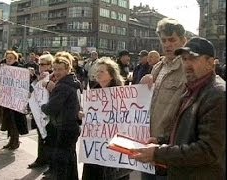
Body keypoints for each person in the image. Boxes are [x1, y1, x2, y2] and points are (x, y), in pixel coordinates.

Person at [131, 37, 226, 180]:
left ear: (210, 63)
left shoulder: (217, 95)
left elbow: (207, 150)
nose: (187, 64)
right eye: (184, 59)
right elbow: (183, 132)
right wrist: (160, 140)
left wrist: (158, 153)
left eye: (193, 59)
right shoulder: (192, 89)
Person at [139, 18, 188, 179]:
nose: (167, 44)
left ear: (183, 40)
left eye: (172, 40)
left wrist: (165, 140)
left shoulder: (188, 69)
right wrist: (141, 87)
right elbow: (144, 103)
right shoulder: (157, 67)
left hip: (168, 149)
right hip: (147, 146)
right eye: (164, 40)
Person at [81, 57, 132, 180]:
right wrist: (83, 115)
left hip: (114, 146)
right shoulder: (94, 92)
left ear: (111, 75)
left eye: (102, 71)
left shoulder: (122, 93)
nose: (98, 74)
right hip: (96, 148)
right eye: (97, 71)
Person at [41, 52, 81, 180]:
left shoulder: (63, 86)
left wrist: (41, 106)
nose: (57, 72)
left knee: (62, 163)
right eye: (55, 69)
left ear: (68, 69)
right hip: (71, 126)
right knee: (70, 160)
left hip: (64, 127)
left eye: (60, 69)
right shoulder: (73, 82)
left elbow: (50, 109)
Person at [28, 53, 54, 169]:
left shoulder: (52, 77)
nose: (40, 66)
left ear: (49, 65)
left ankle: (47, 161)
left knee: (47, 137)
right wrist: (35, 78)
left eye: (43, 64)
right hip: (38, 111)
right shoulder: (40, 76)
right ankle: (41, 159)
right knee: (40, 135)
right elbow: (33, 90)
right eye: (39, 64)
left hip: (47, 112)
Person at [0, 50, 29, 150]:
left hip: (16, 101)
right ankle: (11, 140)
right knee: (9, 121)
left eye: (11, 58)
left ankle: (15, 141)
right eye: (7, 58)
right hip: (7, 100)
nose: (8, 59)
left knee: (15, 121)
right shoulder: (5, 68)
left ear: (15, 59)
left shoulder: (20, 68)